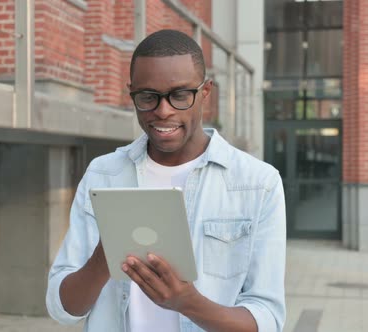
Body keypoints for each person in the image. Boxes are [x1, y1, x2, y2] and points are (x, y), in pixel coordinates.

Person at [47, 29, 286, 332]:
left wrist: (187, 302)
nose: (163, 111)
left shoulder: (258, 183)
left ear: (206, 92)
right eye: (148, 97)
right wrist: (102, 260)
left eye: (180, 95)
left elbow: (268, 320)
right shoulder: (102, 174)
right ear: (131, 92)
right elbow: (63, 309)